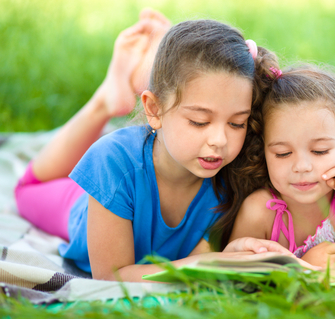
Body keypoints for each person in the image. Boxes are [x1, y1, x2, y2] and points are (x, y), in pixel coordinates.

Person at [14, 9, 309, 282]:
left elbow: (198, 262)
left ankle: (150, 72)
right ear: (154, 110)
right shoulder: (112, 162)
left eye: (236, 123)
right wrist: (213, 263)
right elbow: (112, 277)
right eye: (199, 121)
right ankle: (105, 100)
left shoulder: (235, 173)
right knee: (26, 189)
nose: (220, 140)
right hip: (88, 204)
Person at [217, 63, 335, 268]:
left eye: (319, 151)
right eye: (283, 153)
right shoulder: (259, 213)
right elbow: (239, 277)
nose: (301, 167)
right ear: (263, 151)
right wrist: (304, 268)